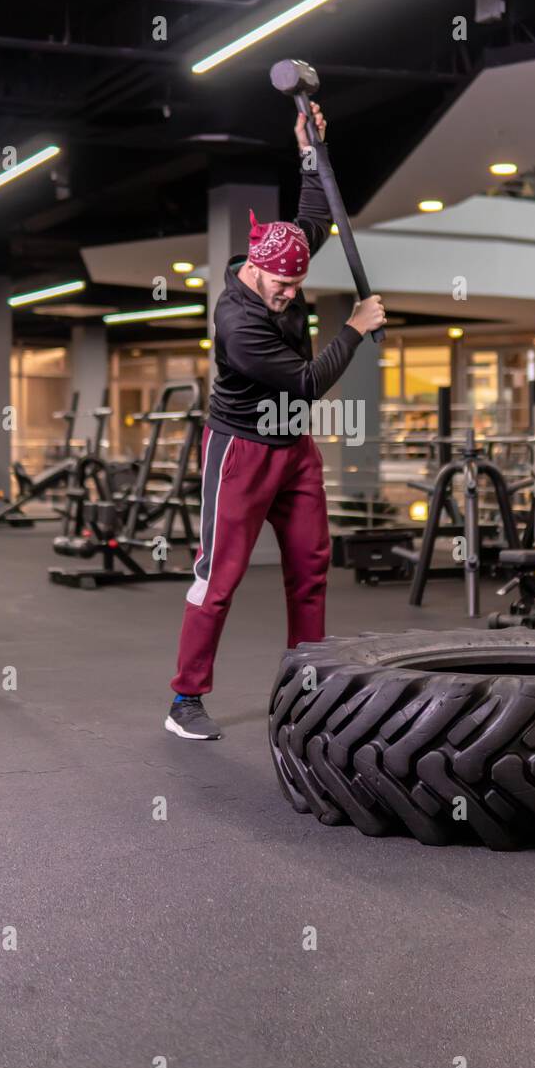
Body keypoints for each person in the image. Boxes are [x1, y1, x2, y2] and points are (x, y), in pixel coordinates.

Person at [166, 101, 386, 739]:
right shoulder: (238, 322)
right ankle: (184, 699)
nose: (290, 296)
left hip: (294, 449)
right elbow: (309, 381)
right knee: (219, 575)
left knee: (311, 565)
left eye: (297, 287)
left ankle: (308, 685)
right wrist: (353, 326)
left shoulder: (283, 251)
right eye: (281, 289)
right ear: (255, 269)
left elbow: (317, 212)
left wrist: (309, 149)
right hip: (240, 451)